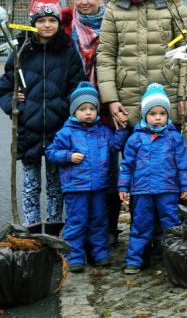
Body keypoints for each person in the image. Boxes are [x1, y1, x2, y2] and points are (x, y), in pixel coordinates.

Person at [0, 0, 85, 235]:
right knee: (30, 184)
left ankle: (54, 229)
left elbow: (77, 87)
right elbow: (4, 87)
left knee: (56, 184)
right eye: (41, 20)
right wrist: (14, 103)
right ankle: (32, 229)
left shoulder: (68, 53)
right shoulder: (21, 53)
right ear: (32, 22)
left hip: (60, 130)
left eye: (52, 20)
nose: (47, 25)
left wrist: (64, 107)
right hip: (29, 129)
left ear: (59, 22)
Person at [97, 0, 187, 130]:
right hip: (128, 101)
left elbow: (186, 50)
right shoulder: (115, 8)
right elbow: (106, 56)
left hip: (166, 98)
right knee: (132, 156)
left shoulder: (173, 4)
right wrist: (111, 99)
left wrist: (184, 95)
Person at [62, 0, 124, 247]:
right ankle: (81, 230)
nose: (84, 2)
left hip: (109, 107)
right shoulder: (67, 29)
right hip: (78, 111)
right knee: (78, 173)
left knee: (109, 170)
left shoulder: (114, 22)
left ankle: (109, 228)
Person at [45, 82, 127, 272]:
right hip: (75, 187)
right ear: (74, 111)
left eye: (92, 108)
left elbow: (114, 146)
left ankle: (100, 254)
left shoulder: (104, 132)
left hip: (98, 187)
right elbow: (51, 152)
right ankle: (74, 257)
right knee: (77, 221)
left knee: (99, 220)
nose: (88, 112)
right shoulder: (66, 133)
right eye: (83, 109)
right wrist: (68, 156)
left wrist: (122, 130)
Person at [118, 83, 187, 274]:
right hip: (142, 191)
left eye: (162, 114)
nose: (158, 118)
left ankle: (173, 258)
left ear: (167, 115)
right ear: (144, 115)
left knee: (171, 226)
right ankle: (134, 261)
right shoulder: (135, 139)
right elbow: (127, 166)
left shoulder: (174, 138)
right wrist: (123, 187)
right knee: (141, 226)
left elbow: (182, 165)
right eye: (153, 114)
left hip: (168, 190)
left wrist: (185, 186)